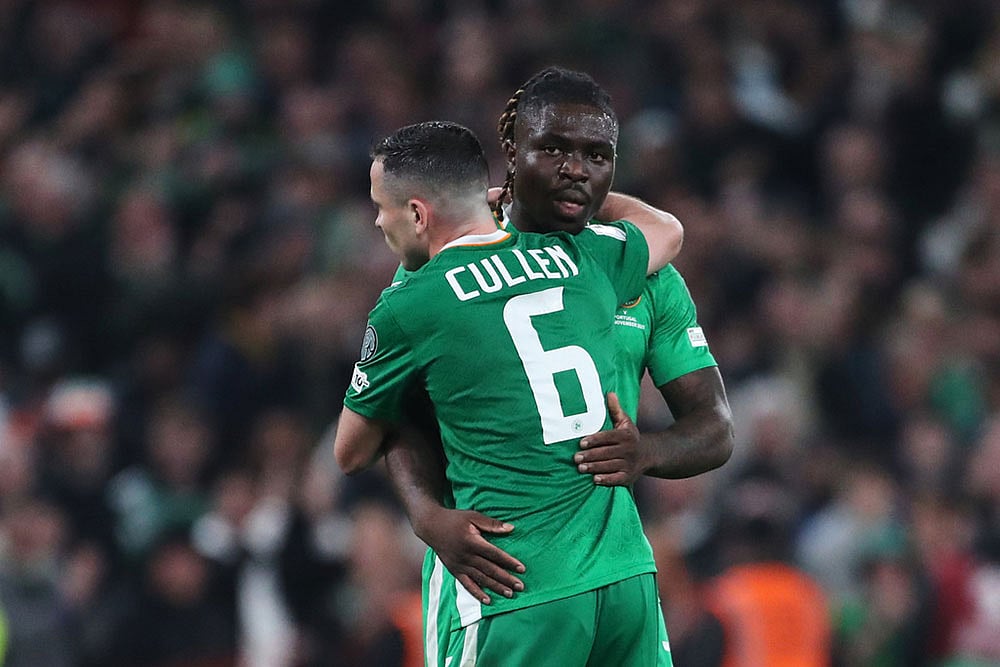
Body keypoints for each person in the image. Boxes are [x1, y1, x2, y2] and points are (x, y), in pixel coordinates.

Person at [382, 66, 734, 664]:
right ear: (511, 153)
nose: (577, 168)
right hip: (499, 573)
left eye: (598, 155)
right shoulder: (446, 264)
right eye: (554, 150)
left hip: (617, 573)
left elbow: (715, 427)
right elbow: (397, 415)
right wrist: (426, 517)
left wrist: (645, 452)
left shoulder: (646, 275)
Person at [334, 119, 681, 665]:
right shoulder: (578, 255)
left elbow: (350, 452)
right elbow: (666, 229)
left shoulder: (411, 305)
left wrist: (425, 513)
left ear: (419, 215)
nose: (378, 220)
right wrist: (556, 194)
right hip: (625, 578)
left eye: (382, 206)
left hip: (512, 582)